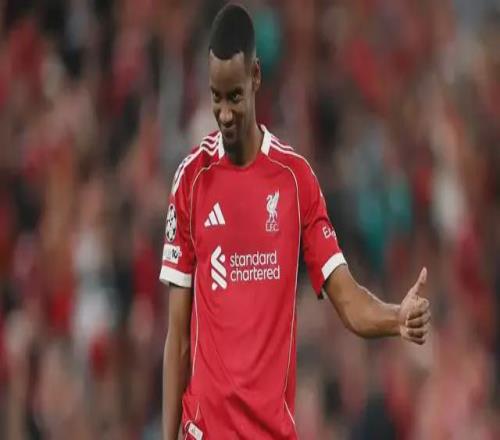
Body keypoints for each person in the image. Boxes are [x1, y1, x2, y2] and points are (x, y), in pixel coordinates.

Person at [160, 4, 431, 439]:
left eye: (234, 97)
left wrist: (395, 317)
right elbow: (177, 338)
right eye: (216, 97)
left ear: (256, 77)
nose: (224, 113)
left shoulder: (294, 180)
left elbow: (347, 300)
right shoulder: (191, 180)